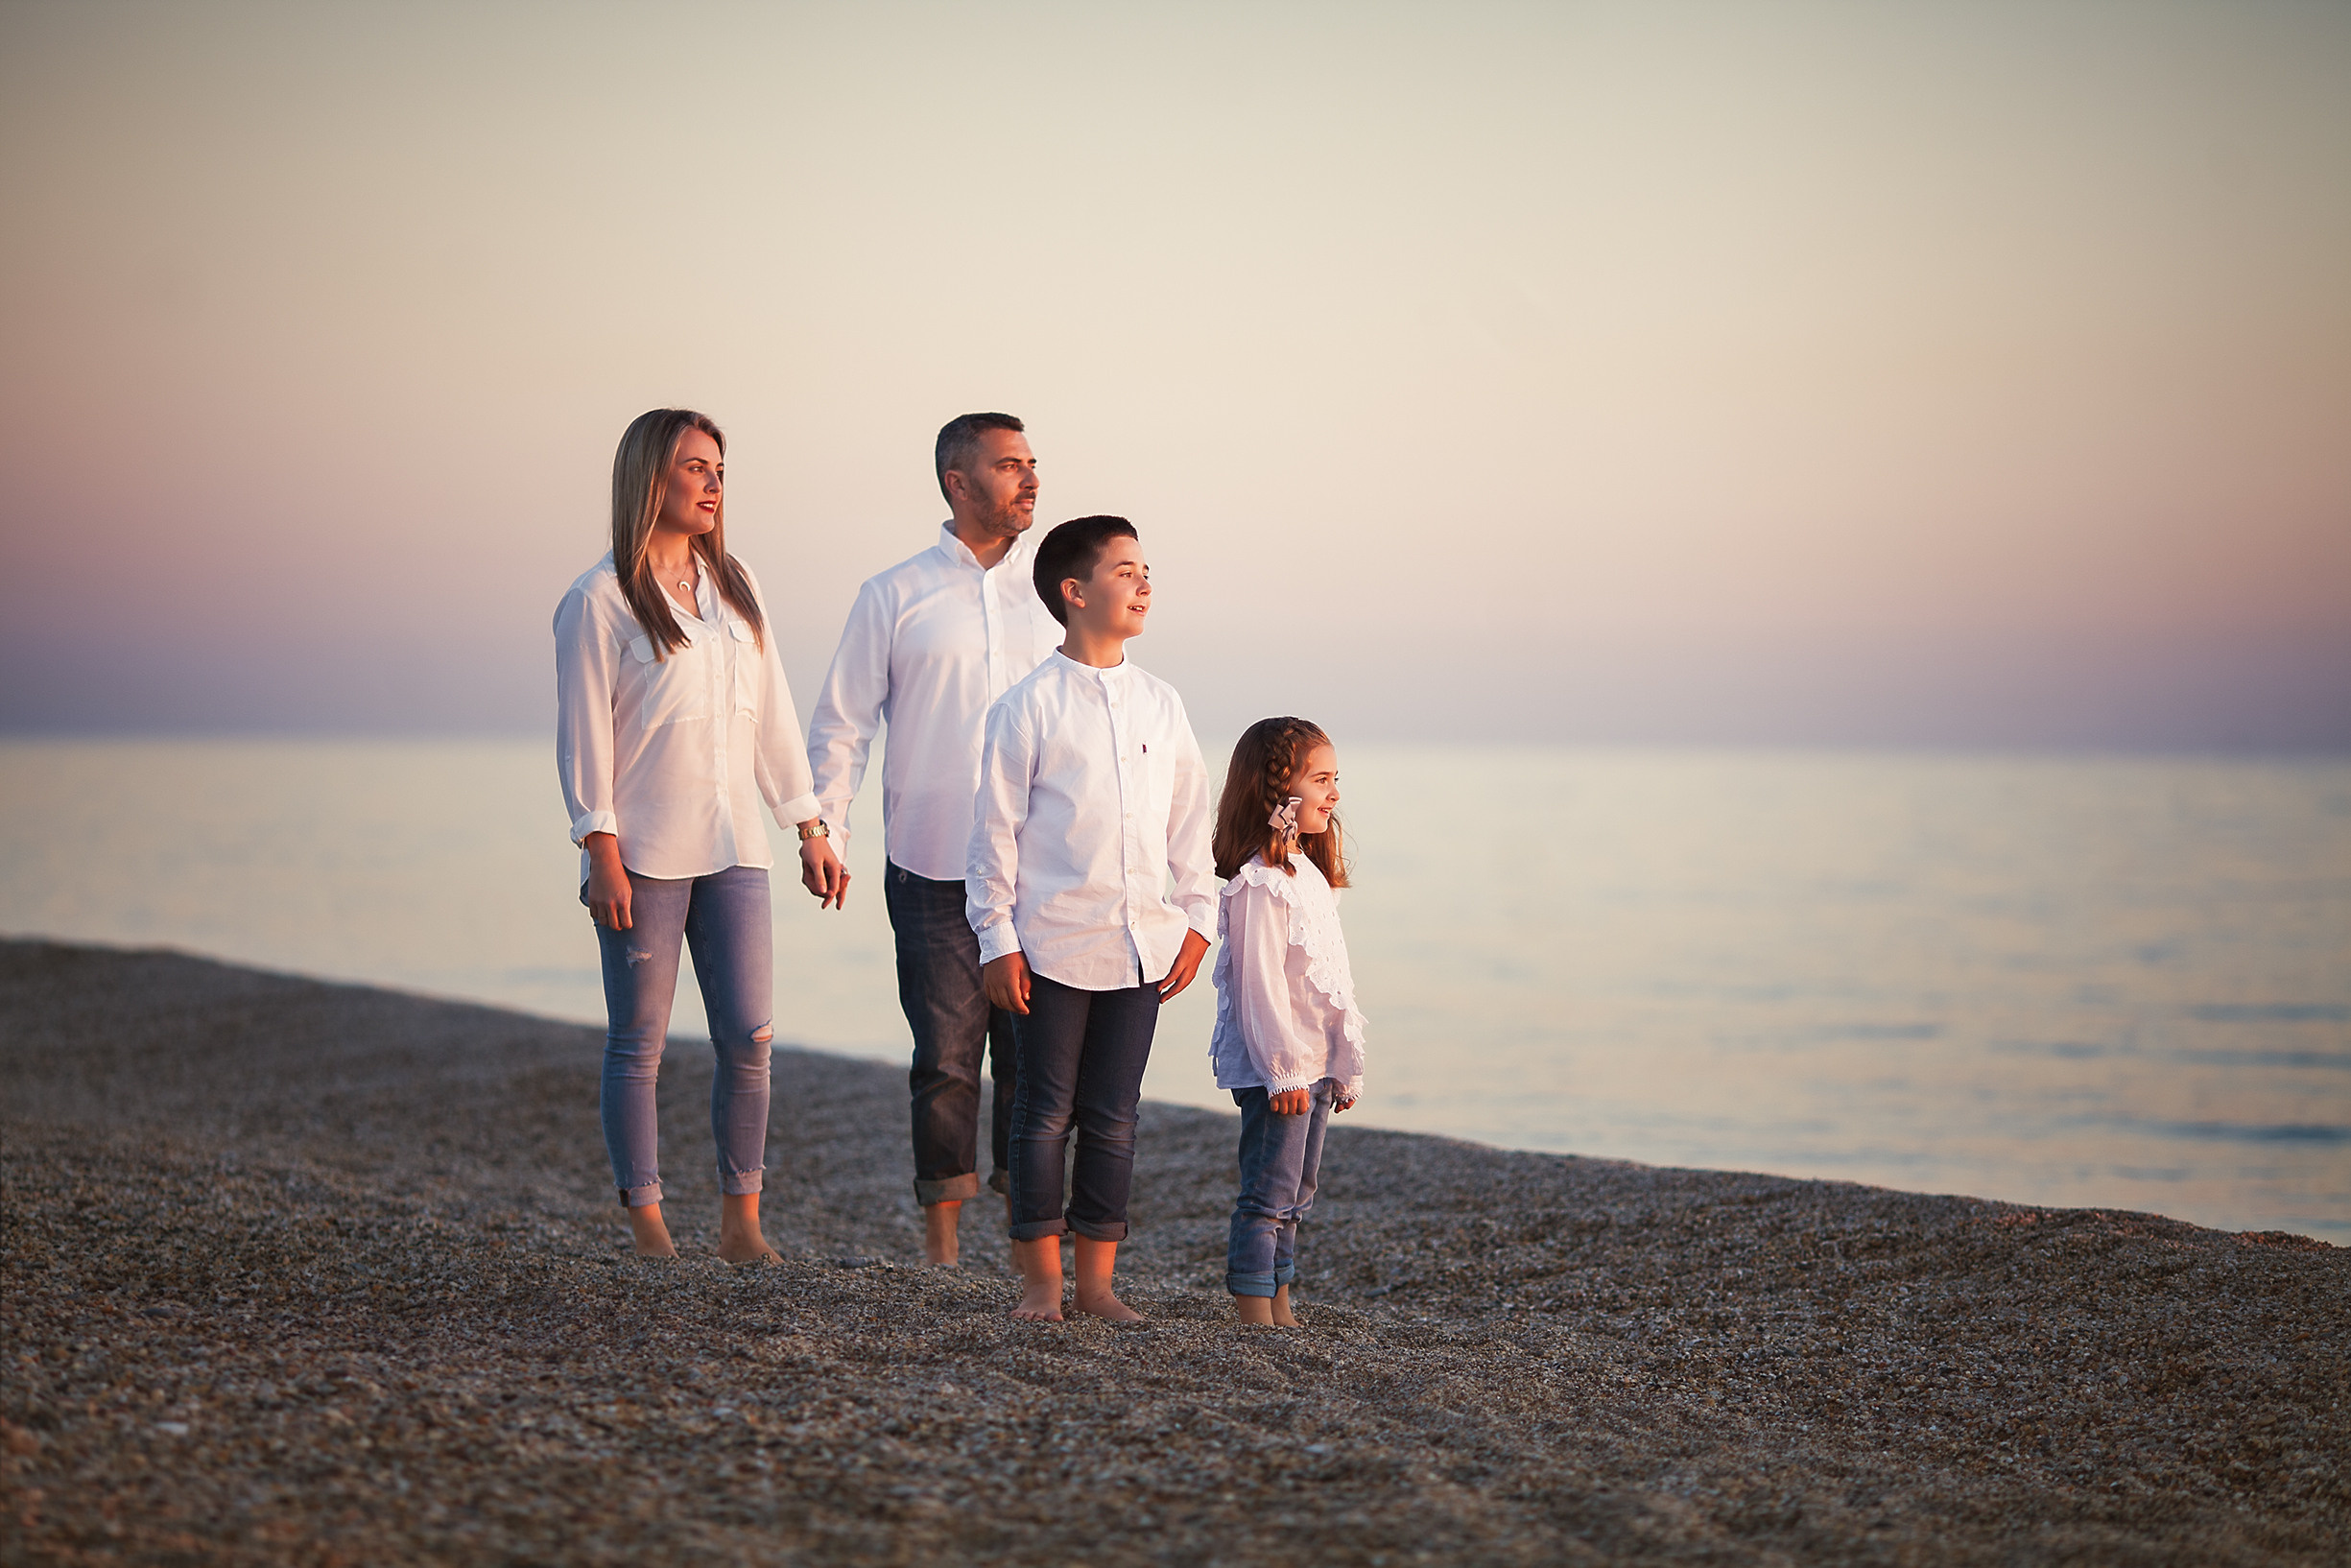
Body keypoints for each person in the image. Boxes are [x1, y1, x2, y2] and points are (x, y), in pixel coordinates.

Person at [554, 408, 848, 1262]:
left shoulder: (736, 585)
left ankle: (741, 1222)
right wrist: (597, 847)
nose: (715, 484)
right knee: (637, 1043)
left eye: (720, 468)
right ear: (652, 478)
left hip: (735, 848)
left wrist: (809, 826)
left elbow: (774, 718)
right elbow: (585, 734)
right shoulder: (599, 597)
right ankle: (647, 1221)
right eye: (695, 468)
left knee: (751, 1038)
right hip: (641, 853)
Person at [804, 414, 1063, 1266]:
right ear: (958, 481)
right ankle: (943, 1248)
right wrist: (827, 827)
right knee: (947, 1059)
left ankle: (1031, 1239)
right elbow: (842, 723)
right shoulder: (895, 593)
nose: (1029, 480)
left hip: (1042, 870)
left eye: (1032, 464)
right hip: (931, 862)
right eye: (1008, 466)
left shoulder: (1058, 591)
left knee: (1037, 1065)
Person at [968, 515, 1219, 1321]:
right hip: (1049, 944)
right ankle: (1042, 1285)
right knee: (1042, 1113)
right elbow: (994, 836)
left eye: (1146, 569)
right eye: (1124, 570)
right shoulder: (1026, 707)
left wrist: (1198, 920)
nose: (1144, 583)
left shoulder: (1161, 703)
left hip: (1144, 943)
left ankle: (1099, 1286)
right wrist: (996, 939)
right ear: (1075, 593)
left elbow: (1189, 824)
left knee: (1114, 1116)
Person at [1206, 717, 1365, 1326]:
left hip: (1315, 1064)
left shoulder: (1309, 874)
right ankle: (1253, 1308)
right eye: (1321, 779)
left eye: (1334, 779)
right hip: (1282, 1071)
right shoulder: (1259, 883)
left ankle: (1280, 1299)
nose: (1334, 793)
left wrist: (1342, 1068)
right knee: (1268, 1193)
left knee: (1299, 1193)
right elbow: (1260, 987)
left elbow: (1329, 982)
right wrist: (1283, 1071)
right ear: (1280, 792)